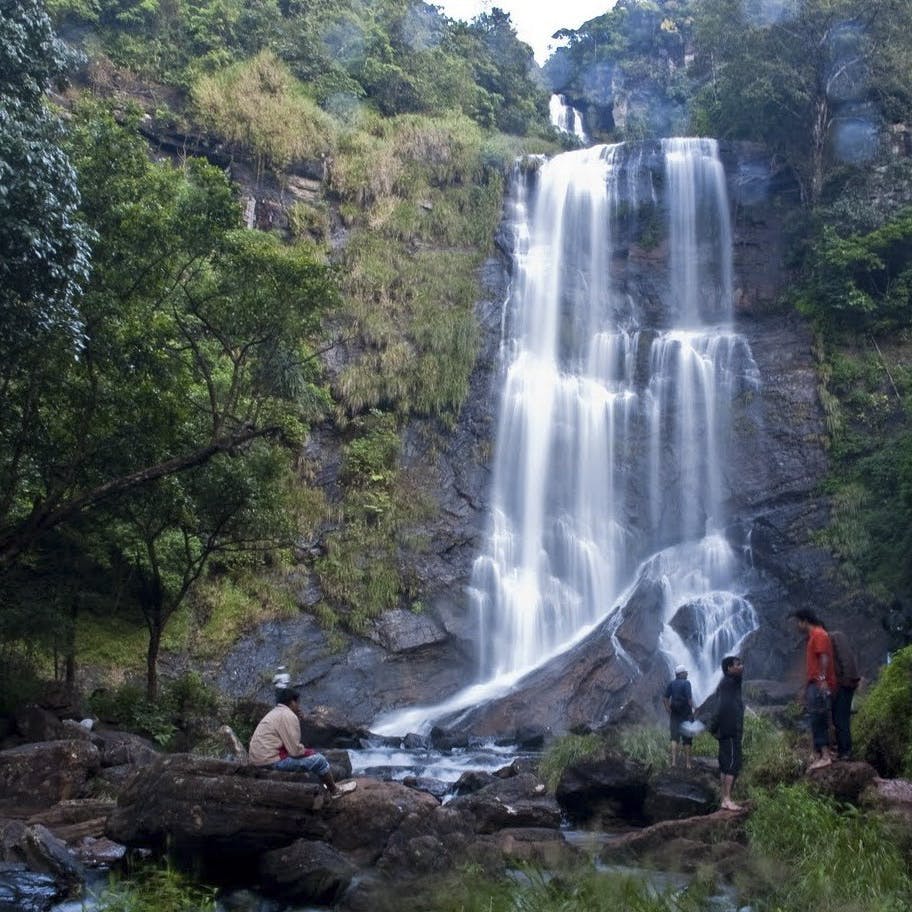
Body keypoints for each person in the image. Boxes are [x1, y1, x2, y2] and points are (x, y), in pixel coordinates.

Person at [249, 689, 356, 798]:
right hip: (271, 761)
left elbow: (288, 741)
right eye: (298, 703)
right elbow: (295, 751)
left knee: (311, 756)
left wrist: (299, 722)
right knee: (319, 760)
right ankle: (335, 791)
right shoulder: (288, 715)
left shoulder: (275, 713)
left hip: (258, 759)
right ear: (292, 702)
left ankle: (324, 786)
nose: (299, 706)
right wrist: (310, 752)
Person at [792, 609, 836, 770]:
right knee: (817, 717)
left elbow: (824, 657)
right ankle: (822, 754)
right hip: (814, 684)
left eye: (797, 622)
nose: (796, 626)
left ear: (804, 621)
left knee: (818, 718)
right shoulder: (813, 637)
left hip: (819, 684)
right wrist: (805, 688)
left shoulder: (819, 634)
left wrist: (822, 679)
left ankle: (825, 756)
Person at [711, 655, 744, 811]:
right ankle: (727, 799)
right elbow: (722, 707)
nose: (741, 666)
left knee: (725, 765)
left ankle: (725, 799)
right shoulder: (729, 684)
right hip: (730, 729)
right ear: (729, 668)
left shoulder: (727, 683)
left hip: (726, 729)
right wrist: (714, 726)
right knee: (732, 764)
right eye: (737, 664)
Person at [829, 628, 860, 760]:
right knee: (838, 718)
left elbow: (847, 659)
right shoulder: (832, 639)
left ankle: (846, 752)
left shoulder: (836, 636)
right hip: (841, 685)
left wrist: (847, 681)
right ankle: (842, 749)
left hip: (845, 684)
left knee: (841, 718)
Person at [663, 664, 695, 769]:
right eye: (685, 672)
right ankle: (688, 764)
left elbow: (665, 698)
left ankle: (673, 762)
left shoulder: (671, 684)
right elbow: (689, 699)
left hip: (675, 714)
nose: (687, 673)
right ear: (681, 674)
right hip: (686, 714)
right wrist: (694, 710)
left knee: (674, 738)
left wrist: (668, 710)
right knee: (687, 740)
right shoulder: (686, 683)